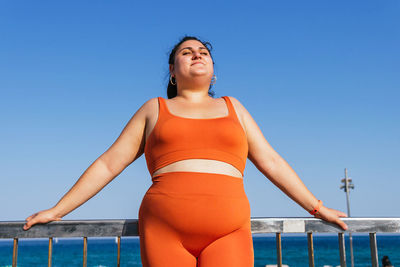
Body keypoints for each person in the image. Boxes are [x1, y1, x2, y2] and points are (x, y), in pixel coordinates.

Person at [23, 36, 348, 267]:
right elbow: (109, 164)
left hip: (228, 230)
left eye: (203, 51)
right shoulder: (154, 108)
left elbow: (272, 162)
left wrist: (318, 208)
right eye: (187, 52)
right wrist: (58, 210)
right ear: (172, 71)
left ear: (213, 70)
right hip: (165, 229)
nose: (197, 54)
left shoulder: (234, 107)